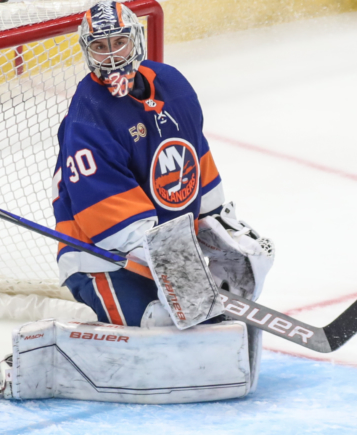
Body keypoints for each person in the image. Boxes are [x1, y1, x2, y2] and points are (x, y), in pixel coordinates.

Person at [53, 0, 272, 327]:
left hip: (168, 249)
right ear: (87, 51)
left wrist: (215, 228)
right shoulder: (89, 117)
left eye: (119, 42)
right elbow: (107, 218)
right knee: (163, 325)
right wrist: (180, 266)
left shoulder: (174, 85)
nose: (111, 56)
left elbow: (196, 160)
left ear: (136, 39)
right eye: (100, 47)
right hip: (102, 258)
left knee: (220, 302)